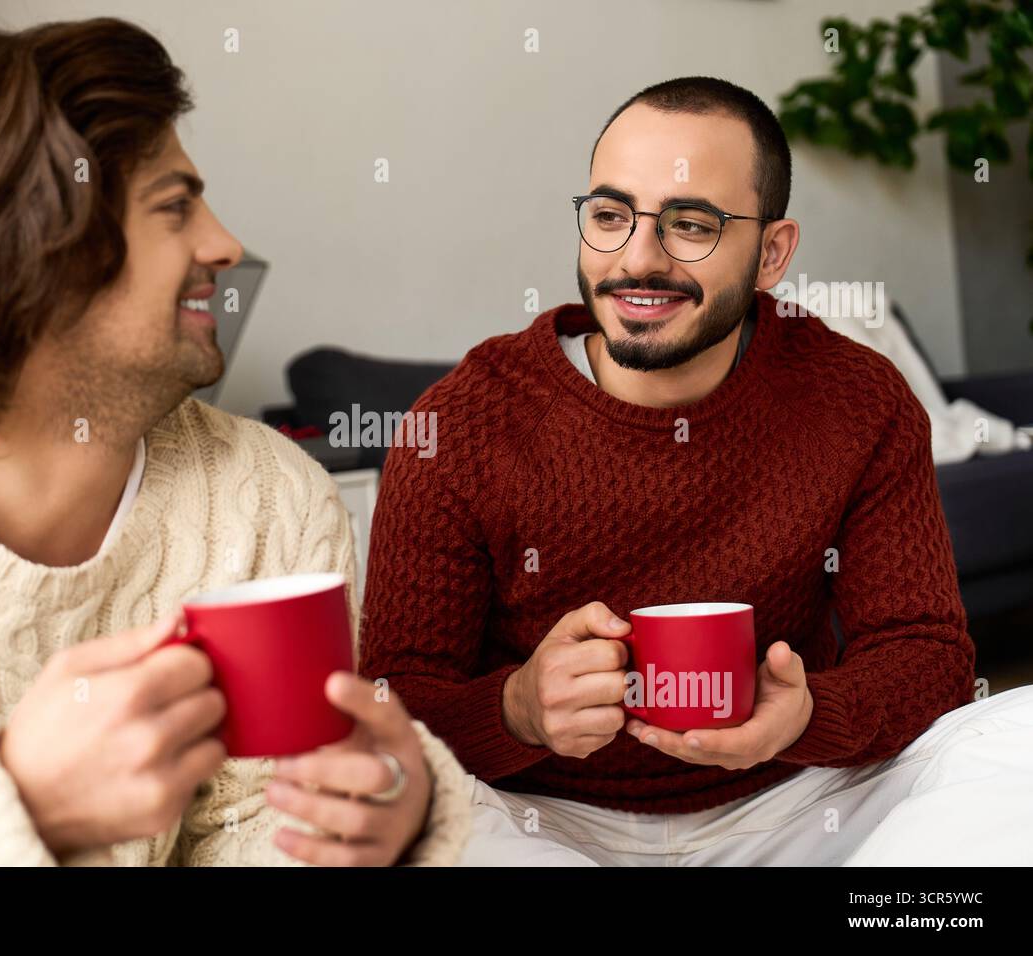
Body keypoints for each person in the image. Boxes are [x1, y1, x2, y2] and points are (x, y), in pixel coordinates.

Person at [0, 18, 469, 867]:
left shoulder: (268, 497)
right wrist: (21, 812)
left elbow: (261, 829)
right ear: (33, 253)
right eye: (174, 207)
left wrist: (381, 820)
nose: (224, 244)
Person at [358, 75, 1033, 865]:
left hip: (797, 807)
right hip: (545, 827)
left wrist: (808, 712)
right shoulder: (460, 423)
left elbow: (928, 659)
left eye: (691, 224)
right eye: (610, 217)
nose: (637, 260)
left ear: (772, 252)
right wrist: (515, 710)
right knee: (385, 820)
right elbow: (393, 707)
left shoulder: (857, 398)